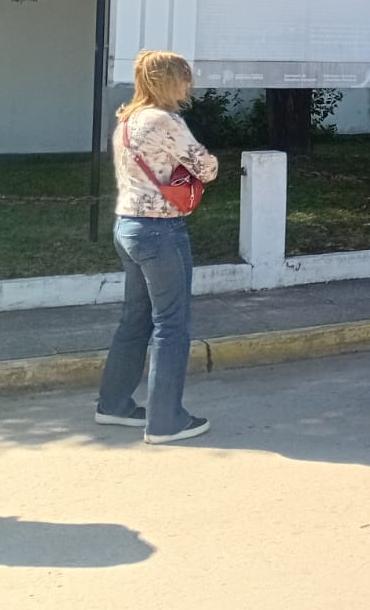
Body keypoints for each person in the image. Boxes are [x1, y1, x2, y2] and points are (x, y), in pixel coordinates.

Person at [96, 50, 219, 444]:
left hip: (128, 226)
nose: (188, 86)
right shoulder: (166, 121)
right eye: (184, 79)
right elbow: (206, 168)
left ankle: (113, 404)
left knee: (135, 319)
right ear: (169, 81)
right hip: (160, 230)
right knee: (172, 323)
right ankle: (166, 420)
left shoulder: (127, 120)